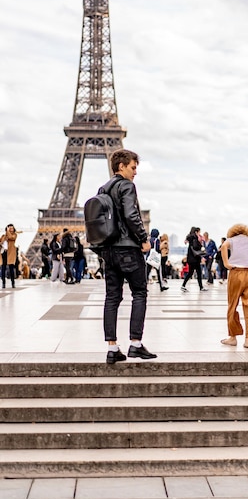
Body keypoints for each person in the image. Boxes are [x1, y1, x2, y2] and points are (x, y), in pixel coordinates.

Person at [98, 148, 156, 364]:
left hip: (109, 250)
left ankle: (112, 348)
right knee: (140, 293)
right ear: (121, 166)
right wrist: (143, 238)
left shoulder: (103, 188)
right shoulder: (127, 185)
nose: (135, 172)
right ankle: (135, 344)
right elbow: (132, 215)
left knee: (112, 297)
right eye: (133, 167)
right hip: (128, 249)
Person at [181, 227, 208, 292]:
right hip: (195, 259)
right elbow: (196, 247)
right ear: (196, 232)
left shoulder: (190, 238)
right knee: (199, 273)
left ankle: (183, 285)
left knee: (190, 273)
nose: (199, 233)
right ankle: (201, 287)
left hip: (190, 259)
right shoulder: (195, 238)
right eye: (199, 232)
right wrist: (201, 247)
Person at [0, 224, 18, 288]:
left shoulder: (14, 235)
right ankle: (3, 283)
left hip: (10, 254)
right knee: (3, 268)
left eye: (12, 228)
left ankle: (13, 282)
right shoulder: (3, 236)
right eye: (9, 228)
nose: (10, 229)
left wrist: (7, 232)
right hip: (4, 253)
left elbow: (11, 237)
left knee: (11, 269)